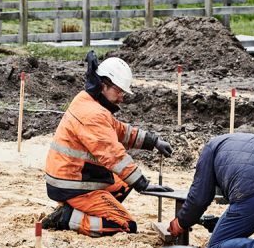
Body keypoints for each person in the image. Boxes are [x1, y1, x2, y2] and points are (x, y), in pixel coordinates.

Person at [42, 53, 173, 237]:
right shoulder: (93, 114)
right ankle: (67, 217)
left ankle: (71, 208)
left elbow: (119, 130)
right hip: (72, 184)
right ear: (104, 85)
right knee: (125, 225)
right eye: (119, 91)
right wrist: (142, 184)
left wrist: (152, 141)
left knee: (123, 184)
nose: (121, 98)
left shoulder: (87, 100)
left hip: (70, 176)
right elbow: (113, 154)